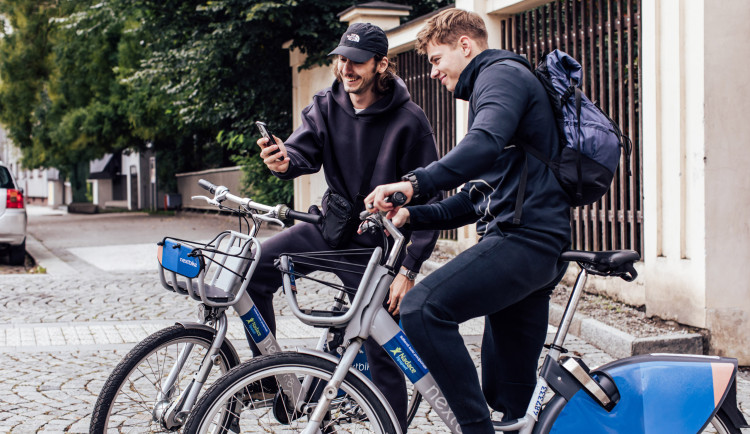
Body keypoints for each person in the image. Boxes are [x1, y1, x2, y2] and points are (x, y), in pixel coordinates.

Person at [365, 9, 571, 434]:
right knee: (510, 402)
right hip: (527, 242)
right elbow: (473, 200)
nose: (435, 72)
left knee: (423, 308)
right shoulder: (494, 87)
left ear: (465, 45)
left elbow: (480, 147)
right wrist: (413, 212)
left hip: (525, 241)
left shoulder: (501, 76)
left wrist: (413, 184)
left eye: (437, 60)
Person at [251, 22, 440, 432]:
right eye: (341, 59)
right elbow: (301, 154)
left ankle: (391, 426)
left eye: (356, 61)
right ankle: (270, 380)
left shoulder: (410, 119)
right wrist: (284, 161)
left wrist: (408, 268)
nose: (345, 68)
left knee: (381, 348)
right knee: (254, 268)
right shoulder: (326, 103)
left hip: (376, 249)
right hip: (330, 227)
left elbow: (432, 201)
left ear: (381, 64)